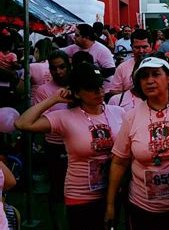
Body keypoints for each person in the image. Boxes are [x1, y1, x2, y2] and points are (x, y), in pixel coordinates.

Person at [15, 62, 125, 230]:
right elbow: (23, 123)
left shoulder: (117, 112)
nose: (98, 91)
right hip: (81, 194)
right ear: (77, 93)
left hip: (112, 191)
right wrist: (54, 99)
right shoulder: (64, 117)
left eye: (100, 85)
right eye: (90, 87)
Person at [105, 55, 169, 229]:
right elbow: (119, 162)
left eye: (156, 74)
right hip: (142, 207)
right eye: (144, 76)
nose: (149, 81)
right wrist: (110, 205)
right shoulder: (131, 116)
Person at [34, 50, 71, 230]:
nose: (58, 72)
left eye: (62, 67)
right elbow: (43, 120)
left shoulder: (78, 86)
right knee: (57, 188)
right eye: (54, 68)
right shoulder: (43, 91)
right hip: (55, 146)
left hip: (77, 146)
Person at [109, 29, 152, 95]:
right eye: (137, 47)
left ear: (151, 46)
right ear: (131, 47)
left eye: (144, 47)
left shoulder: (160, 66)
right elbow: (114, 91)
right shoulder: (122, 68)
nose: (141, 51)